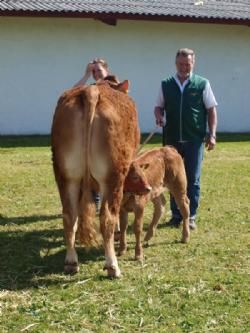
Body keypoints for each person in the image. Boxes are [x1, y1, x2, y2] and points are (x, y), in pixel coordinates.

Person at [154, 48, 218, 230]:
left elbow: (211, 110)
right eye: (181, 64)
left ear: (193, 63)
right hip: (171, 141)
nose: (184, 67)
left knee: (193, 179)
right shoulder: (166, 84)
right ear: (176, 63)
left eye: (187, 64)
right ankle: (176, 215)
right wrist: (159, 116)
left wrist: (212, 134)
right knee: (172, 179)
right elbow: (158, 106)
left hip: (194, 139)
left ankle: (190, 216)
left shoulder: (202, 84)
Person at [74, 58, 110, 213]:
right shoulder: (91, 88)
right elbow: (72, 92)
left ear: (107, 70)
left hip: (109, 135)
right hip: (93, 134)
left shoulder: (114, 85)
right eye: (93, 71)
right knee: (91, 166)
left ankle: (109, 203)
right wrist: (86, 75)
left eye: (99, 70)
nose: (96, 74)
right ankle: (95, 202)